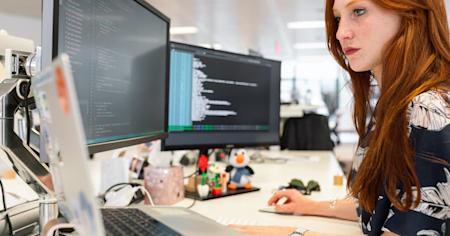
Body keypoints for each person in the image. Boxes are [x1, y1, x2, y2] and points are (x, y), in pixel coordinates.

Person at [230, 0, 450, 235]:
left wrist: (291, 233)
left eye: (358, 11)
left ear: (411, 14)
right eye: (338, 18)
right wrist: (309, 206)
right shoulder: (395, 106)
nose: (340, 33)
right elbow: (381, 207)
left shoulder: (428, 111)